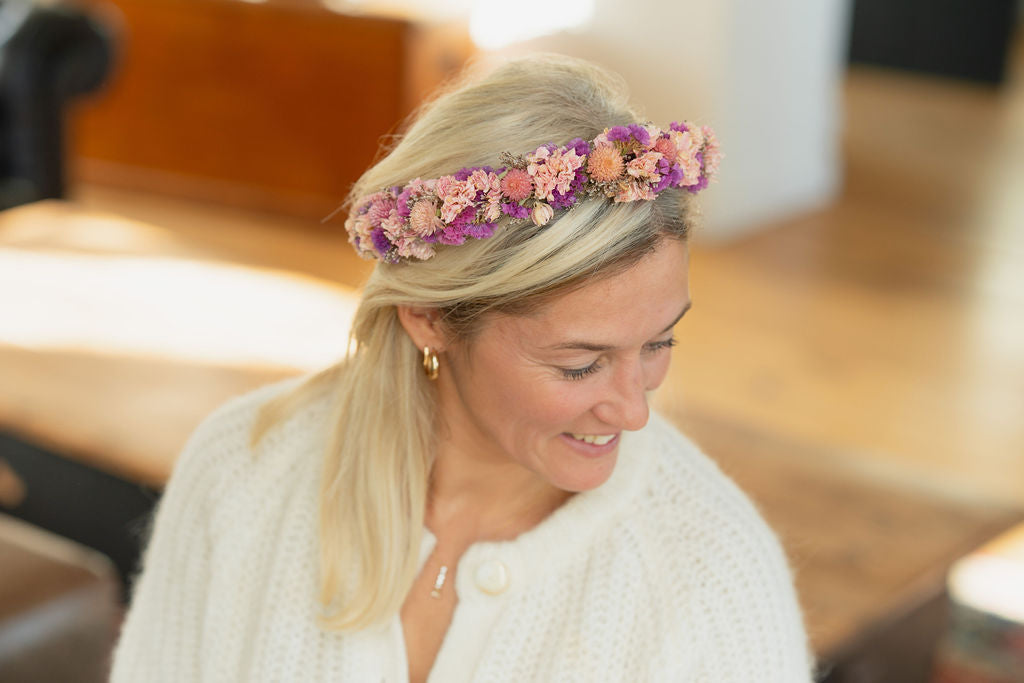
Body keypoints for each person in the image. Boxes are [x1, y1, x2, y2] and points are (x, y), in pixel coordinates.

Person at [108, 54, 813, 682]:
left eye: (659, 343)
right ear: (430, 316)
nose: (633, 409)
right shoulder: (242, 471)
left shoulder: (714, 575)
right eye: (579, 364)